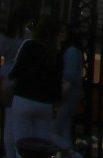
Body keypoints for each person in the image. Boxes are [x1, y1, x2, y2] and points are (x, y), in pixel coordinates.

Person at [5, 15, 70, 158]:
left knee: (21, 144)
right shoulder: (56, 54)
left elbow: (15, 71)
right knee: (41, 147)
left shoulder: (29, 45)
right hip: (44, 104)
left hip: (23, 98)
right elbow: (56, 84)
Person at [0, 7, 33, 158]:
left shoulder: (5, 31)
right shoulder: (27, 35)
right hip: (18, 75)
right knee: (18, 121)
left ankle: (8, 154)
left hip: (5, 73)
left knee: (8, 119)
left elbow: (2, 51)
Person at [53, 24, 84, 150]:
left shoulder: (70, 51)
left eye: (63, 32)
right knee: (64, 132)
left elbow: (69, 78)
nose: (60, 34)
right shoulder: (73, 51)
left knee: (52, 132)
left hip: (66, 98)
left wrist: (60, 97)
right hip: (70, 97)